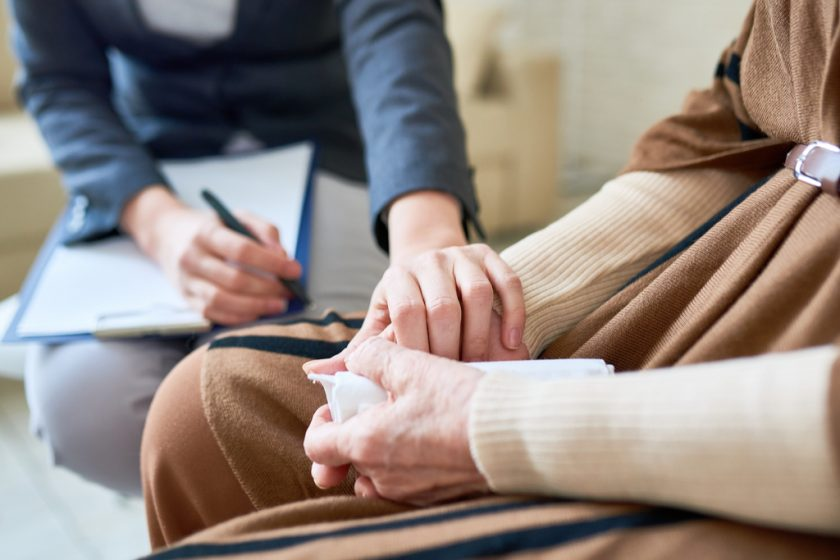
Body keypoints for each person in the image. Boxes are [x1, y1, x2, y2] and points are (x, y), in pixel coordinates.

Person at [140, 0, 840, 556]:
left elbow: (392, 35)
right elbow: (735, 129)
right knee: (202, 410)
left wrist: (495, 428)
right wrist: (487, 306)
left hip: (804, 423)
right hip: (715, 281)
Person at [10, 0, 528, 496]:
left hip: (329, 151)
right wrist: (160, 226)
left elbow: (393, 29)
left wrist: (426, 235)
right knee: (83, 413)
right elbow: (59, 82)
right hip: (150, 175)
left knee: (315, 397)